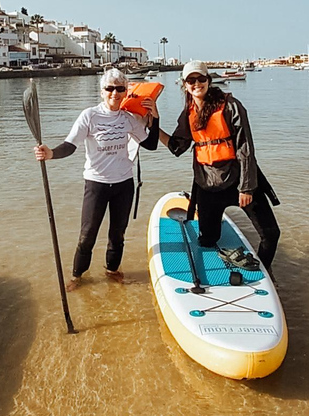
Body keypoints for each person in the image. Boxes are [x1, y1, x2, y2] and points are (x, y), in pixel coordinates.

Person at [34, 68, 160, 291]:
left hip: (123, 184)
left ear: (125, 92)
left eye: (120, 89)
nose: (115, 93)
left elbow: (150, 144)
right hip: (96, 184)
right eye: (110, 88)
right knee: (87, 235)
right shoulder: (89, 115)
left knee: (117, 234)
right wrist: (51, 153)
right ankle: (77, 276)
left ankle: (112, 270)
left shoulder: (128, 119)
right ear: (102, 91)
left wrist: (155, 118)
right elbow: (70, 146)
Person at [158, 61, 281, 276]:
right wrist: (152, 125)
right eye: (191, 80)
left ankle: (264, 270)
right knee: (208, 240)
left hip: (239, 181)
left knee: (271, 233)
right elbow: (177, 147)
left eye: (201, 79)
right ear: (185, 85)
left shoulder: (231, 106)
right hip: (207, 186)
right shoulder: (188, 113)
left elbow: (245, 148)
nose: (197, 84)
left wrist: (247, 188)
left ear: (209, 80)